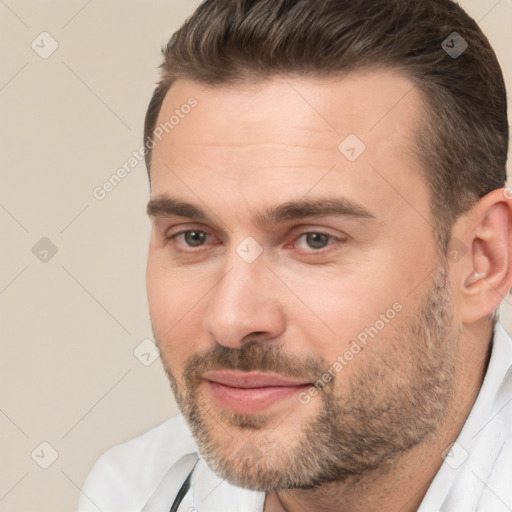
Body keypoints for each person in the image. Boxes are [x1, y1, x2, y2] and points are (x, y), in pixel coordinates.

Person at [78, 0, 512, 510]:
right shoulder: (130, 491)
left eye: (315, 239)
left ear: (481, 261)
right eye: (194, 237)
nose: (231, 320)